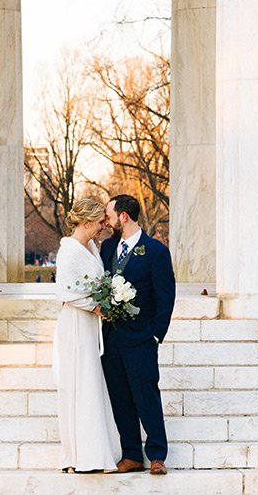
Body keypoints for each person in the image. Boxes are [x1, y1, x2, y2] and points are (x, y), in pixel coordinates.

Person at [100, 194, 176, 476]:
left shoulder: (155, 250)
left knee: (146, 396)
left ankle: (156, 455)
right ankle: (131, 454)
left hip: (142, 339)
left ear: (123, 216)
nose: (106, 223)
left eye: (109, 216)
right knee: (120, 397)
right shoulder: (107, 248)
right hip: (111, 338)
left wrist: (156, 334)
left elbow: (165, 295)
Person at [52, 198, 121, 473]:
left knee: (91, 384)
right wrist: (95, 306)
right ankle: (77, 456)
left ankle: (95, 451)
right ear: (86, 221)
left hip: (90, 325)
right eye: (101, 221)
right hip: (76, 325)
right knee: (78, 385)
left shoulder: (91, 246)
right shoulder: (68, 250)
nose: (105, 226)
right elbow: (64, 294)